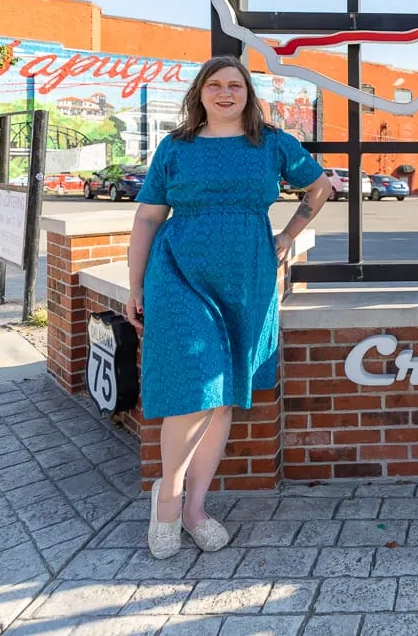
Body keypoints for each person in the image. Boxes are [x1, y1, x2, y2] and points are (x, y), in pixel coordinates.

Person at [125, 55, 332, 559]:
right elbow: (149, 218)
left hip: (248, 277)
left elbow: (320, 186)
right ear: (199, 92)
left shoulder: (272, 143)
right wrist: (136, 286)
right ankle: (168, 501)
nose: (224, 93)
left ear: (247, 93)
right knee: (195, 385)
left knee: (224, 392)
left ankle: (195, 509)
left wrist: (288, 234)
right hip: (178, 273)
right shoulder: (176, 147)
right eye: (214, 85)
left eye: (234, 85)